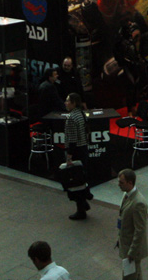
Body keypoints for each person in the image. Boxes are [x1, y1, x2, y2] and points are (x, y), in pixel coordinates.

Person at [64, 92, 93, 220]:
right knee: (81, 178)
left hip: (76, 152)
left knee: (75, 182)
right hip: (83, 149)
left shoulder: (71, 118)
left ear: (74, 103)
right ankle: (84, 200)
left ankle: (81, 209)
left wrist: (69, 156)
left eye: (67, 101)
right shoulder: (81, 114)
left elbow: (72, 139)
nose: (66, 103)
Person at [117, 168, 148, 279]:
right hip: (126, 244)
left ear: (130, 183)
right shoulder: (126, 195)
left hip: (132, 250)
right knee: (135, 274)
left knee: (129, 276)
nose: (118, 185)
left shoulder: (138, 203)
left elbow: (140, 230)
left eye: (121, 182)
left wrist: (132, 252)